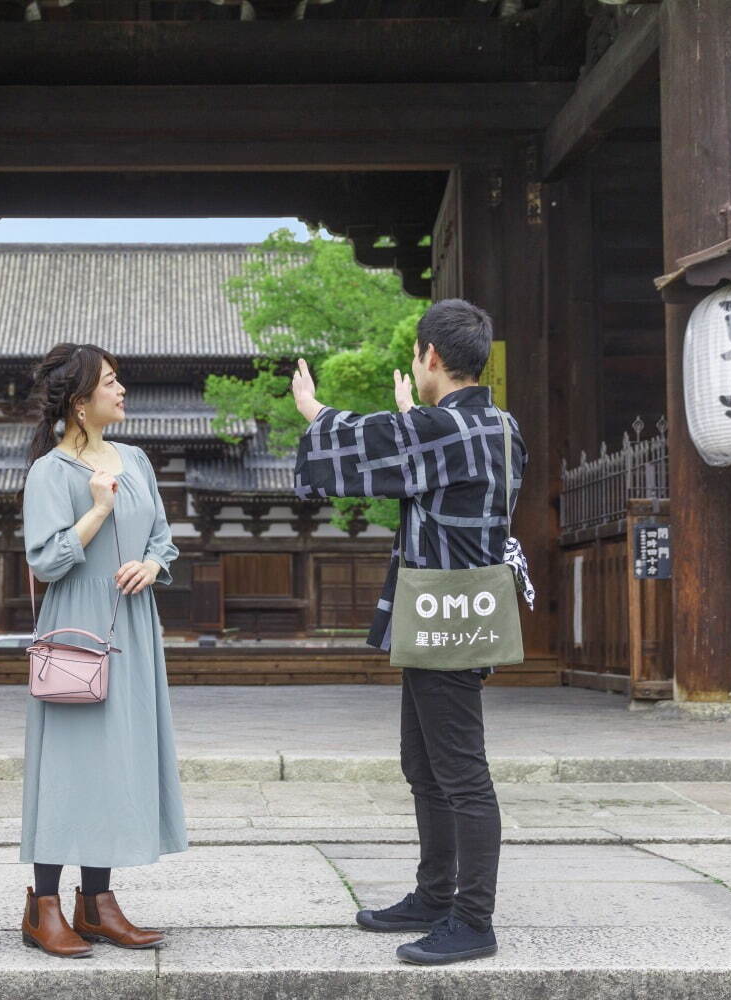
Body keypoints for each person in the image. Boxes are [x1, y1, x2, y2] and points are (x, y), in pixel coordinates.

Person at [290, 299, 527, 966]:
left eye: (419, 355)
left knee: (460, 771)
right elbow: (432, 479)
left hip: (441, 610)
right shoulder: (502, 427)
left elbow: (360, 455)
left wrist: (313, 410)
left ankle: (472, 919)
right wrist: (407, 425)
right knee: (424, 762)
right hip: (463, 610)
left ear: (429, 357)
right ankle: (431, 896)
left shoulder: (440, 428)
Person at [17, 342, 188, 959]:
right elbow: (47, 559)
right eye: (111, 382)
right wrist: (97, 511)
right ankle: (44, 906)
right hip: (76, 630)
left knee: (117, 762)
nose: (122, 390)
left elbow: (165, 540)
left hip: (132, 627)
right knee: (67, 765)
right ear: (80, 402)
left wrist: (151, 564)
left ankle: (98, 902)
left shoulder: (136, 458)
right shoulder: (49, 472)